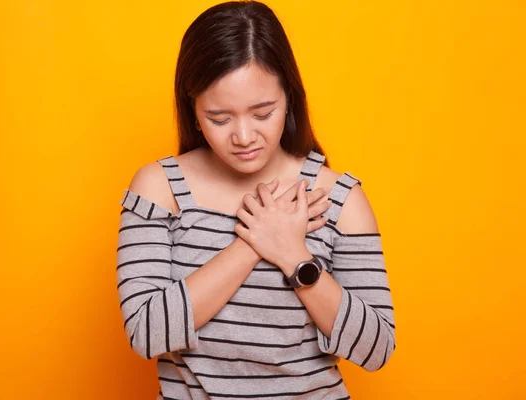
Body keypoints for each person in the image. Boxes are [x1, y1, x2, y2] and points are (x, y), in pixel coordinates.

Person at [116, 1, 396, 398]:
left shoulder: (337, 197)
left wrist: (294, 257)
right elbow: (146, 334)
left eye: (263, 113)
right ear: (193, 110)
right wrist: (253, 241)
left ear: (290, 98)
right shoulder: (159, 188)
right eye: (219, 118)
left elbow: (376, 349)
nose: (244, 136)